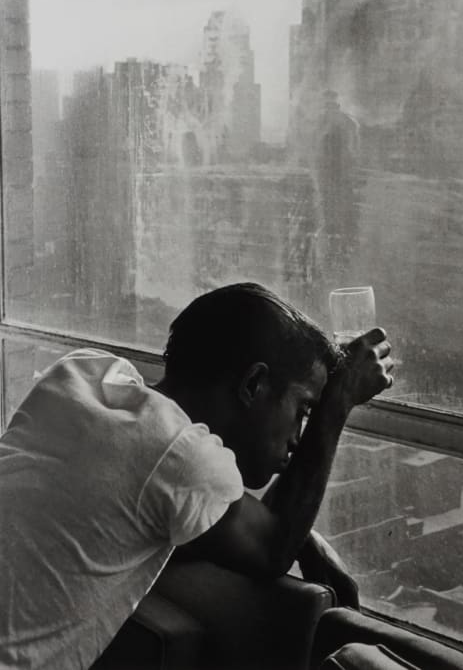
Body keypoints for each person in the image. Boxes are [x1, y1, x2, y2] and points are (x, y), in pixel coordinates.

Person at [0, 282, 394, 670]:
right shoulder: (177, 453)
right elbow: (271, 548)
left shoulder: (80, 374)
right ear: (253, 384)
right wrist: (337, 403)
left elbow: (179, 516)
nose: (297, 438)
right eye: (303, 410)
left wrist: (301, 534)